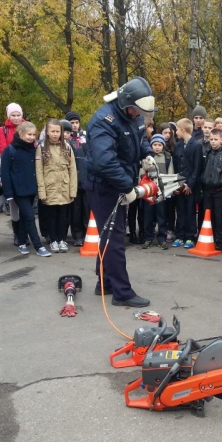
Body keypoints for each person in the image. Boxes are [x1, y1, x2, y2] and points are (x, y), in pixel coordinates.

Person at [84, 76, 156, 308]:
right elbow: (105, 162)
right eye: (137, 110)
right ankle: (122, 292)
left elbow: (139, 139)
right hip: (104, 186)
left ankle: (104, 281)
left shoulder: (132, 116)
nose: (139, 115)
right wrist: (129, 187)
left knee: (109, 235)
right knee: (115, 238)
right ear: (127, 103)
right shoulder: (103, 121)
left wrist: (147, 155)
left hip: (119, 181)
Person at [0, 122, 52, 257]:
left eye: (34, 135)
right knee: (29, 217)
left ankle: (22, 242)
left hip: (31, 189)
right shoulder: (10, 150)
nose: (32, 137)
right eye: (29, 134)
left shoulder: (34, 149)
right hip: (18, 191)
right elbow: (5, 172)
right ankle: (38, 246)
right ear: (20, 134)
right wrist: (8, 193)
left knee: (24, 217)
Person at [36, 119, 77, 253]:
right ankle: (53, 240)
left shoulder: (67, 147)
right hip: (50, 188)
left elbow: (72, 169)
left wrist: (72, 190)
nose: (55, 134)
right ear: (47, 132)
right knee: (52, 216)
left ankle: (62, 239)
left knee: (63, 216)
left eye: (57, 131)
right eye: (52, 131)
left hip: (64, 188)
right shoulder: (41, 148)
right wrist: (42, 192)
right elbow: (39, 172)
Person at [172, 118, 202, 249]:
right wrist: (176, 184)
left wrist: (190, 184)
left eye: (177, 129)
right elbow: (175, 166)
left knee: (190, 210)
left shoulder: (196, 145)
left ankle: (190, 236)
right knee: (180, 210)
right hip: (179, 183)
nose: (176, 132)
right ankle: (179, 235)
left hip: (190, 185)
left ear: (183, 130)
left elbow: (197, 167)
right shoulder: (178, 145)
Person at [0, 103, 25, 243]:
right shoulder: (3, 130)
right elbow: (3, 149)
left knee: (26, 204)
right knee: (14, 203)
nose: (16, 118)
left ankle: (25, 232)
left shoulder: (27, 126)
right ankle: (16, 232)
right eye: (13, 115)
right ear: (8, 116)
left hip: (25, 168)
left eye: (18, 115)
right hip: (11, 167)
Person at [142, 134, 173, 250]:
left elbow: (170, 174)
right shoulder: (147, 158)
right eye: (154, 145)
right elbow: (142, 173)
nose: (157, 147)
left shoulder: (168, 157)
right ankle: (148, 238)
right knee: (148, 215)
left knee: (161, 216)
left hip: (161, 192)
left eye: (159, 145)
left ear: (163, 146)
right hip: (149, 192)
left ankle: (161, 238)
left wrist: (169, 190)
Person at [63, 118, 89, 247]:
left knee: (87, 211)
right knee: (76, 212)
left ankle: (88, 234)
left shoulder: (94, 149)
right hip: (76, 185)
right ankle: (78, 236)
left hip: (89, 186)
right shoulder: (75, 148)